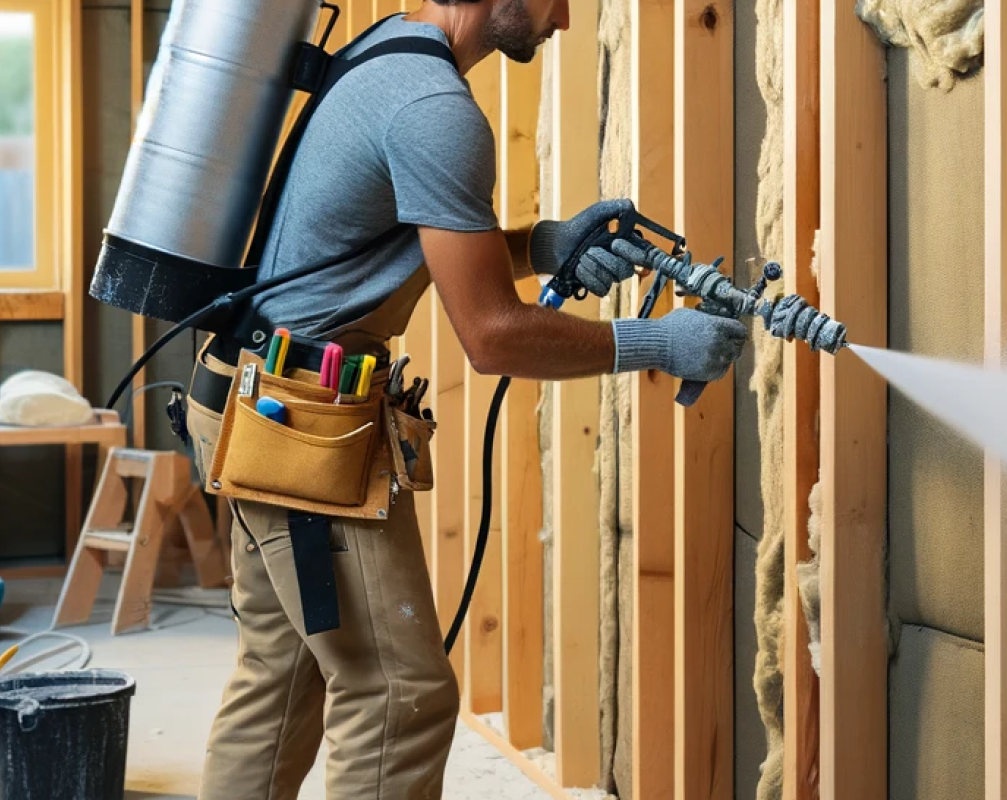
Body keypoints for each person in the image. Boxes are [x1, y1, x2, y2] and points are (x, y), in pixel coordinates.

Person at [184, 0, 747, 797]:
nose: (563, 21)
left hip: (240, 391)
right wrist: (658, 344)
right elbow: (492, 338)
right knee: (399, 698)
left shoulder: (387, 52)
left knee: (280, 676)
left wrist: (541, 244)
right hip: (300, 428)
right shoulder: (436, 108)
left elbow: (390, 240)